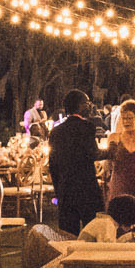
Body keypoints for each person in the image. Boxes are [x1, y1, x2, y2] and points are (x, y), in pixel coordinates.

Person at [47, 91, 105, 234]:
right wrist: (111, 152)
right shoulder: (87, 127)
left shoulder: (55, 131)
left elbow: (52, 165)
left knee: (67, 235)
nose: (89, 107)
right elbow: (93, 153)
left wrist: (58, 190)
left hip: (66, 191)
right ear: (80, 106)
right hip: (86, 189)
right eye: (87, 103)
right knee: (91, 234)